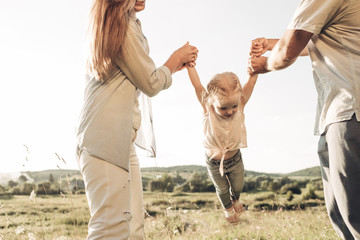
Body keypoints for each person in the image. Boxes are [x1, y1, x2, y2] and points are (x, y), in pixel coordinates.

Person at [75, 0, 198, 239]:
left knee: (133, 228)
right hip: (105, 139)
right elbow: (150, 82)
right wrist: (174, 59)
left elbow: (145, 76)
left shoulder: (119, 24)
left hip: (117, 139)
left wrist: (170, 68)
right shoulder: (122, 25)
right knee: (111, 228)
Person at [248, 0, 360, 239]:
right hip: (340, 114)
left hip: (349, 113)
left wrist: (265, 64)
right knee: (342, 216)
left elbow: (292, 44)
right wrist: (272, 43)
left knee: (353, 219)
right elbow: (323, 38)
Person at [186, 64, 258, 225]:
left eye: (233, 106)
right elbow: (197, 85)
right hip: (213, 162)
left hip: (235, 159)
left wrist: (254, 73)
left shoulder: (240, 105)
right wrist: (190, 67)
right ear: (211, 101)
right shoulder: (207, 107)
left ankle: (236, 199)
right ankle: (228, 210)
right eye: (223, 108)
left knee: (238, 186)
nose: (230, 111)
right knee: (222, 189)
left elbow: (250, 85)